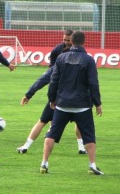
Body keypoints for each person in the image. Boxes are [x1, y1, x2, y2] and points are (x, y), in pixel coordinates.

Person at [40, 31, 103, 175]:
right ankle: (92, 165)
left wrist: (52, 99)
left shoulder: (61, 58)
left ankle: (44, 163)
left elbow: (53, 80)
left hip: (62, 104)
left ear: (71, 41)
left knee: (51, 134)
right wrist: (97, 103)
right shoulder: (88, 60)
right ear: (84, 41)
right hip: (82, 106)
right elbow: (93, 83)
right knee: (89, 136)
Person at [16, 30, 86, 154]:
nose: (66, 42)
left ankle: (30, 150)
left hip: (60, 99)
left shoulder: (59, 65)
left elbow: (45, 79)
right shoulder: (84, 59)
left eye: (68, 40)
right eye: (64, 40)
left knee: (43, 122)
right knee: (79, 122)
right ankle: (82, 149)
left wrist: (29, 95)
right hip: (76, 99)